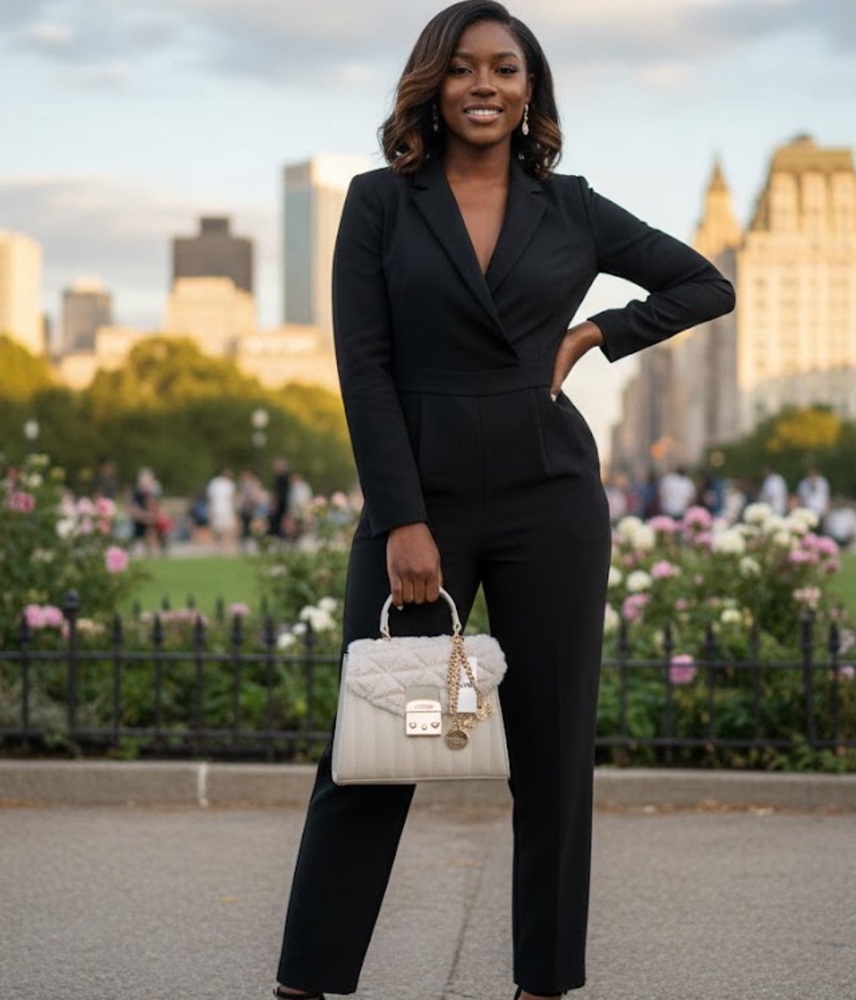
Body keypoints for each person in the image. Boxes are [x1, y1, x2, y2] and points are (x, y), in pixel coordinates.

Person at [271, 4, 735, 999]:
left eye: (505, 69)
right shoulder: (379, 202)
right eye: (464, 68)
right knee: (375, 753)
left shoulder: (571, 208)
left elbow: (704, 284)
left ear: (531, 91)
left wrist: (599, 332)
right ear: (432, 85)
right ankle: (305, 982)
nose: (484, 85)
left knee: (555, 755)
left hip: (551, 500)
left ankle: (543, 985)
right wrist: (401, 517)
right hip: (421, 499)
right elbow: (364, 365)